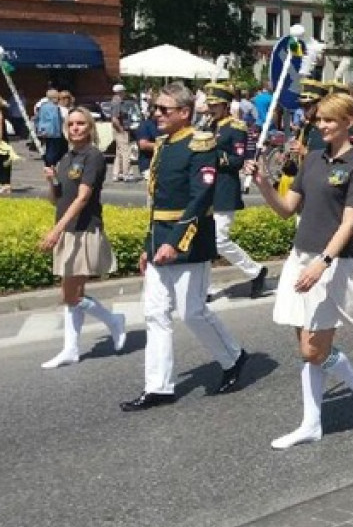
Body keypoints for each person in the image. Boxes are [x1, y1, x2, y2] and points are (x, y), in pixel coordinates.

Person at [246, 92, 353, 449]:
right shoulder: (313, 160)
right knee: (307, 349)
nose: (321, 125)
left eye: (329, 120)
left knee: (313, 351)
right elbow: (287, 209)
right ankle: (311, 423)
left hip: (331, 263)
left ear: (349, 122)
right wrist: (263, 184)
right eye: (319, 119)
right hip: (300, 258)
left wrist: (323, 262)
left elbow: (349, 223)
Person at [119, 82, 248, 412]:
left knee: (192, 312)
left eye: (164, 109)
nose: (157, 114)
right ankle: (159, 386)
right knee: (155, 314)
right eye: (156, 108)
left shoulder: (199, 144)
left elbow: (200, 197)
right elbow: (156, 204)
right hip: (161, 237)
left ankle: (233, 357)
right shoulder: (163, 145)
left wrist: (176, 242)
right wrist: (150, 245)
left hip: (189, 240)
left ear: (184, 112)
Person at [38, 106, 126, 368]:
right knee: (73, 293)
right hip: (67, 228)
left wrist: (56, 230)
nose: (75, 128)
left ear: (89, 128)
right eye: (72, 124)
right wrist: (51, 181)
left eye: (81, 124)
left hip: (83, 229)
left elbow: (83, 197)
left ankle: (113, 321)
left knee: (70, 295)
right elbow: (58, 200)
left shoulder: (93, 156)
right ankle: (71, 349)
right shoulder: (66, 158)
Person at [204, 82, 269, 298]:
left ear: (225, 105)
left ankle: (256, 271)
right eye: (209, 104)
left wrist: (213, 155)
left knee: (219, 240)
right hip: (206, 189)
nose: (210, 108)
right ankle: (203, 288)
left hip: (224, 188)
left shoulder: (236, 128)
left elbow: (237, 160)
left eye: (215, 105)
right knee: (204, 241)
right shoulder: (207, 126)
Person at [35, 88, 67, 170]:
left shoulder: (43, 106)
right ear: (55, 98)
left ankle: (49, 162)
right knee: (53, 148)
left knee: (49, 146)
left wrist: (39, 128)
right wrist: (59, 131)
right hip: (53, 131)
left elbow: (37, 118)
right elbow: (55, 120)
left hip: (44, 130)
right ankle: (50, 164)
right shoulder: (54, 108)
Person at [110, 84, 134, 182]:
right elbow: (114, 119)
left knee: (119, 152)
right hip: (120, 129)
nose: (124, 93)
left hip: (118, 129)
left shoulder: (116, 101)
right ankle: (126, 173)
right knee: (126, 152)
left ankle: (117, 173)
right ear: (121, 92)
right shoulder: (117, 102)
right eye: (123, 91)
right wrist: (121, 130)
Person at [136, 103, 159, 182]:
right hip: (148, 165)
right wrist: (164, 146)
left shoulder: (163, 125)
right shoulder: (145, 125)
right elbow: (143, 145)